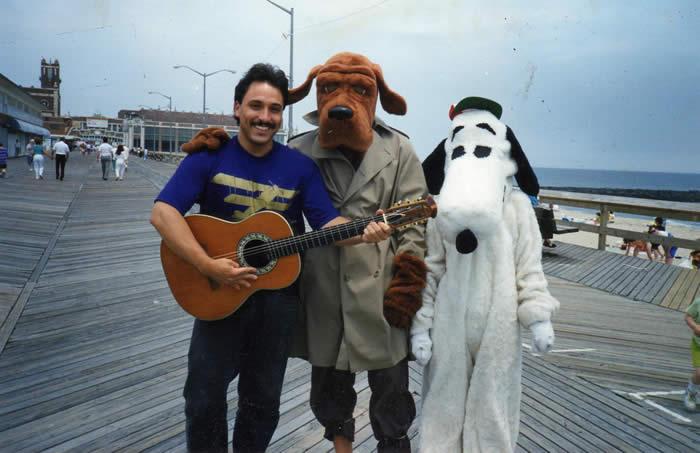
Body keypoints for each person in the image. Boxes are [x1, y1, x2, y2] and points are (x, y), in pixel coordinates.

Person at [150, 63, 391, 453]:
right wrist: (207, 265)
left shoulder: (299, 166)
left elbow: (327, 224)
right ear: (237, 108)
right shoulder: (209, 157)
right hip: (218, 295)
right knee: (203, 398)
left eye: (274, 109)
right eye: (256, 106)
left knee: (262, 402)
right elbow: (163, 213)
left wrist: (365, 231)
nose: (265, 117)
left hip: (277, 300)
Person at [683, 296, 700, 411]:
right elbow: (688, 316)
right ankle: (691, 392)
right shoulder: (698, 303)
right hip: (698, 345)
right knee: (699, 373)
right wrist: (695, 326)